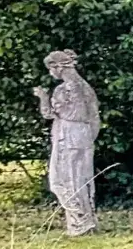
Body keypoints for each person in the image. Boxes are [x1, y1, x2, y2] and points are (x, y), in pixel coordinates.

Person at [37, 50, 100, 236]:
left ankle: (80, 222)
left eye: (51, 69)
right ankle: (84, 220)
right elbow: (94, 118)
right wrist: (89, 136)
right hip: (82, 135)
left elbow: (52, 114)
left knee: (65, 179)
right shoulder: (85, 87)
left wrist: (43, 97)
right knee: (81, 178)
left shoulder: (65, 89)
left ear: (58, 67)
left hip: (69, 135)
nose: (50, 73)